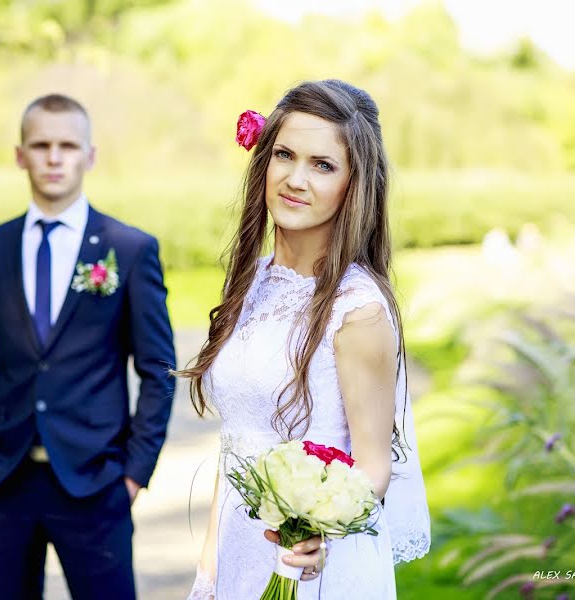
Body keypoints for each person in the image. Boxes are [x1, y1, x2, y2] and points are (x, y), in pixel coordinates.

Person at [181, 79, 430, 599]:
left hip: (313, 565)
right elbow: (237, 447)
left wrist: (314, 536)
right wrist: (208, 577)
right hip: (237, 548)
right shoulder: (254, 282)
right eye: (284, 155)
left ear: (354, 184)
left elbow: (374, 466)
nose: (295, 179)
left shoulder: (356, 310)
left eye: (322, 165)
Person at [0, 93, 176, 600]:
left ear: (90, 156)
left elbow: (159, 369)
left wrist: (134, 473)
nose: (54, 157)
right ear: (20, 155)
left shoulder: (129, 248)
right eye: (41, 145)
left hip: (96, 483)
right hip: (0, 481)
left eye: (68, 145)